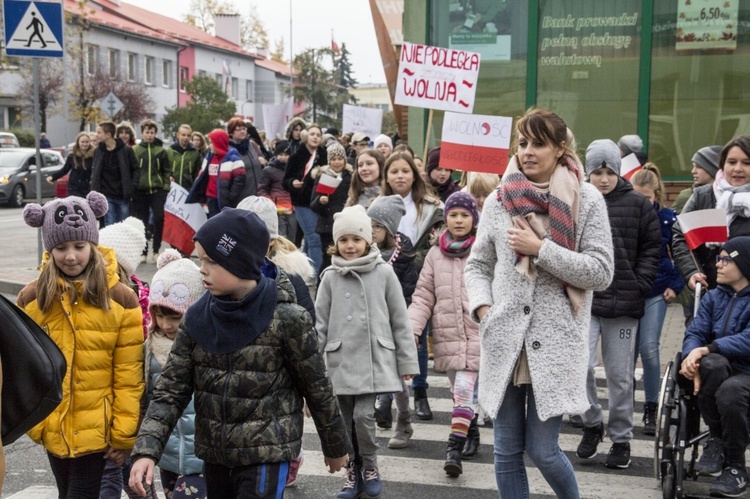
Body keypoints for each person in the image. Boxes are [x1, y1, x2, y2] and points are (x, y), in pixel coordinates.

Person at [128, 208, 350, 498]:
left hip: (268, 452)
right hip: (215, 454)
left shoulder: (287, 318)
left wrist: (335, 447)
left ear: (241, 263)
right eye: (200, 259)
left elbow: (317, 387)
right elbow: (170, 390)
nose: (202, 269)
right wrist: (146, 450)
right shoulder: (196, 317)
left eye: (212, 261)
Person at [464, 108, 614, 498]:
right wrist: (484, 309)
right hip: (504, 336)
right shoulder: (500, 198)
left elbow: (600, 272)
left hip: (557, 341)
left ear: (560, 148)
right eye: (523, 142)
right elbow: (478, 264)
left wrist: (541, 249)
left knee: (543, 451)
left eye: (539, 143)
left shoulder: (588, 198)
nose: (527, 151)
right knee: (505, 451)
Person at [18, 192, 145, 498]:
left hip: (98, 431)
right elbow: (23, 368)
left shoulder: (120, 299)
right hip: (54, 425)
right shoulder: (33, 298)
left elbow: (129, 374)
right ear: (50, 248)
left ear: (93, 245)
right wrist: (37, 423)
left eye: (79, 246)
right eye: (61, 247)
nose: (71, 256)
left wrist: (123, 434)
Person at [316, 205, 419, 499]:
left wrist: (406, 361)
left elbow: (400, 319)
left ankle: (370, 464)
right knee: (344, 420)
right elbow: (320, 325)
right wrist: (314, 369)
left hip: (374, 360)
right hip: (339, 361)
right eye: (344, 240)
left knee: (363, 416)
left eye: (356, 239)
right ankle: (353, 470)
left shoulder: (384, 273)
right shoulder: (329, 277)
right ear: (336, 243)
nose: (350, 246)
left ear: (368, 241)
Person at [577, 139, 660, 469]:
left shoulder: (639, 205)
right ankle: (592, 422)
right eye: (597, 172)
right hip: (586, 300)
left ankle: (621, 438)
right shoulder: (579, 201)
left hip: (625, 301)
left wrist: (640, 284)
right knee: (579, 366)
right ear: (588, 173)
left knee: (620, 376)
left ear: (618, 172)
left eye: (610, 171)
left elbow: (652, 248)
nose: (604, 179)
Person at [236, 195, 317, 487]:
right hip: (244, 366)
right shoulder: (228, 276)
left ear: (270, 243)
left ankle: (291, 455)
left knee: (283, 419)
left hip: (283, 368)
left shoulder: (291, 278)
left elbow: (309, 327)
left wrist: (308, 383)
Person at [408, 192, 482, 476]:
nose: (459, 220)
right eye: (454, 214)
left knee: (464, 390)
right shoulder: (435, 256)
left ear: (474, 219)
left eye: (465, 215)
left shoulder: (484, 250)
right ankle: (471, 429)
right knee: (459, 393)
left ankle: (454, 448)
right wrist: (413, 329)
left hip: (477, 335)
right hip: (447, 338)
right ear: (445, 218)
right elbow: (424, 296)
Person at [679, 236, 750, 497]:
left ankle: (735, 468)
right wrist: (691, 358)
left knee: (730, 391)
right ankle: (717, 439)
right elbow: (695, 332)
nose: (718, 264)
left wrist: (707, 348)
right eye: (718, 258)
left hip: (747, 372)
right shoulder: (713, 298)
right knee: (713, 365)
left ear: (744, 265)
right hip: (718, 369)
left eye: (725, 259)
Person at [382, 151, 444, 420]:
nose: (399, 176)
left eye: (405, 171)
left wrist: (408, 259)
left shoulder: (430, 207)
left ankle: (420, 391)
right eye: (393, 171)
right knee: (385, 338)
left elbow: (434, 246)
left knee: (416, 337)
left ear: (414, 175)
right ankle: (385, 396)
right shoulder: (379, 205)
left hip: (418, 279)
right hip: (386, 280)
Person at [145, 250, 207, 499]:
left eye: (175, 317)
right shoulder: (148, 348)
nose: (166, 325)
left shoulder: (205, 347)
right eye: (159, 316)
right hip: (166, 453)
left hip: (201, 456)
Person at [630, 164, 685, 435]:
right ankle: (623, 406)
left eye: (647, 198)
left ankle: (651, 408)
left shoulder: (668, 218)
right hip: (628, 292)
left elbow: (682, 251)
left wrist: (676, 284)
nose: (642, 202)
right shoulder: (625, 214)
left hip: (656, 291)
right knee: (625, 355)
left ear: (656, 194)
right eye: (637, 196)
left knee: (649, 349)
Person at [367, 195, 418, 439]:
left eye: (378, 226)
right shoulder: (362, 250)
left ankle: (404, 419)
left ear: (389, 228)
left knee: (397, 377)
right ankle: (377, 411)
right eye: (370, 224)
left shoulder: (404, 254)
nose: (372, 230)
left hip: (394, 321)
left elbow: (409, 291)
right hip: (370, 322)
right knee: (373, 372)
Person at [673, 136, 750, 293]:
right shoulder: (704, 196)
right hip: (709, 294)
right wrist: (692, 272)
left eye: (747, 163)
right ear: (721, 165)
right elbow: (682, 235)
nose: (738, 168)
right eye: (732, 162)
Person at [672, 145, 722, 326]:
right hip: (705, 284)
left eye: (698, 166)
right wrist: (693, 271)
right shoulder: (699, 196)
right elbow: (681, 234)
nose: (693, 171)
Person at [282, 123, 327, 274]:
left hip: (319, 202)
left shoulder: (325, 156)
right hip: (302, 203)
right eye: (312, 134)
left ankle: (302, 272)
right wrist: (292, 183)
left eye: (318, 135)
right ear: (306, 136)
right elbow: (285, 181)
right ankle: (317, 274)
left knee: (309, 239)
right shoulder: (296, 157)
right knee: (314, 237)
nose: (315, 137)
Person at [132, 119, 171, 263]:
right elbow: (133, 169)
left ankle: (156, 250)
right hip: (140, 191)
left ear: (155, 133)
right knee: (141, 221)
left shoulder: (161, 151)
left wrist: (165, 187)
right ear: (142, 133)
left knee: (159, 217)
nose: (149, 135)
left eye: (152, 132)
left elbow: (166, 170)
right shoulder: (136, 150)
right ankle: (143, 252)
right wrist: (133, 187)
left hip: (157, 190)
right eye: (147, 132)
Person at [311, 141, 353, 274]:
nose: (337, 162)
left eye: (340, 159)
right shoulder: (322, 177)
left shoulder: (351, 177)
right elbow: (313, 204)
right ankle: (322, 286)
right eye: (333, 159)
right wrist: (320, 201)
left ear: (345, 160)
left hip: (346, 224)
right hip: (327, 226)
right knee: (329, 259)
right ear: (329, 161)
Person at [186, 129, 246, 218]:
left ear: (218, 144)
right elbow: (201, 175)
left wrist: (230, 197)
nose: (210, 146)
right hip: (210, 199)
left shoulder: (234, 159)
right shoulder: (209, 157)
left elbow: (239, 180)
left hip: (225, 201)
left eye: (212, 143)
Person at [91, 121, 139, 226]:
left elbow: (135, 169)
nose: (97, 135)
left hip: (122, 195)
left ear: (108, 135)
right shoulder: (98, 151)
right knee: (110, 224)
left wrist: (132, 187)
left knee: (123, 225)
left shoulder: (126, 150)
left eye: (99, 132)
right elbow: (95, 172)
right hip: (106, 195)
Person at [258, 139, 296, 241]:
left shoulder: (294, 169)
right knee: (280, 238)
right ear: (276, 154)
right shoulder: (269, 170)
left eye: (286, 154)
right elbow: (262, 189)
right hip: (277, 210)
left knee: (293, 238)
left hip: (292, 209)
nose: (283, 157)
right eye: (281, 154)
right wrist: (270, 203)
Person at [672, 145, 722, 214]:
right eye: (693, 166)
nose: (693, 171)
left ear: (712, 169)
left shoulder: (731, 195)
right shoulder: (686, 196)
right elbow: (679, 223)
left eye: (698, 167)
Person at [47, 131, 94, 198]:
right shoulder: (72, 156)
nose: (85, 144)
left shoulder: (94, 155)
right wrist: (53, 177)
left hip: (88, 188)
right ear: (78, 143)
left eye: (87, 142)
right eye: (82, 142)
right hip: (74, 188)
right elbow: (65, 169)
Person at [227, 117, 264, 200]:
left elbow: (264, 164)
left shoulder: (253, 145)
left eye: (244, 129)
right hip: (240, 198)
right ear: (231, 132)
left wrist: (264, 163)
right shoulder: (228, 149)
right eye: (238, 129)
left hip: (258, 195)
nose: (242, 131)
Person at [167, 124, 202, 191]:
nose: (186, 137)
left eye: (188, 135)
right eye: (183, 135)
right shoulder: (169, 151)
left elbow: (197, 173)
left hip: (188, 190)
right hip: (171, 189)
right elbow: (164, 170)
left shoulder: (195, 153)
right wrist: (168, 177)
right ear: (178, 135)